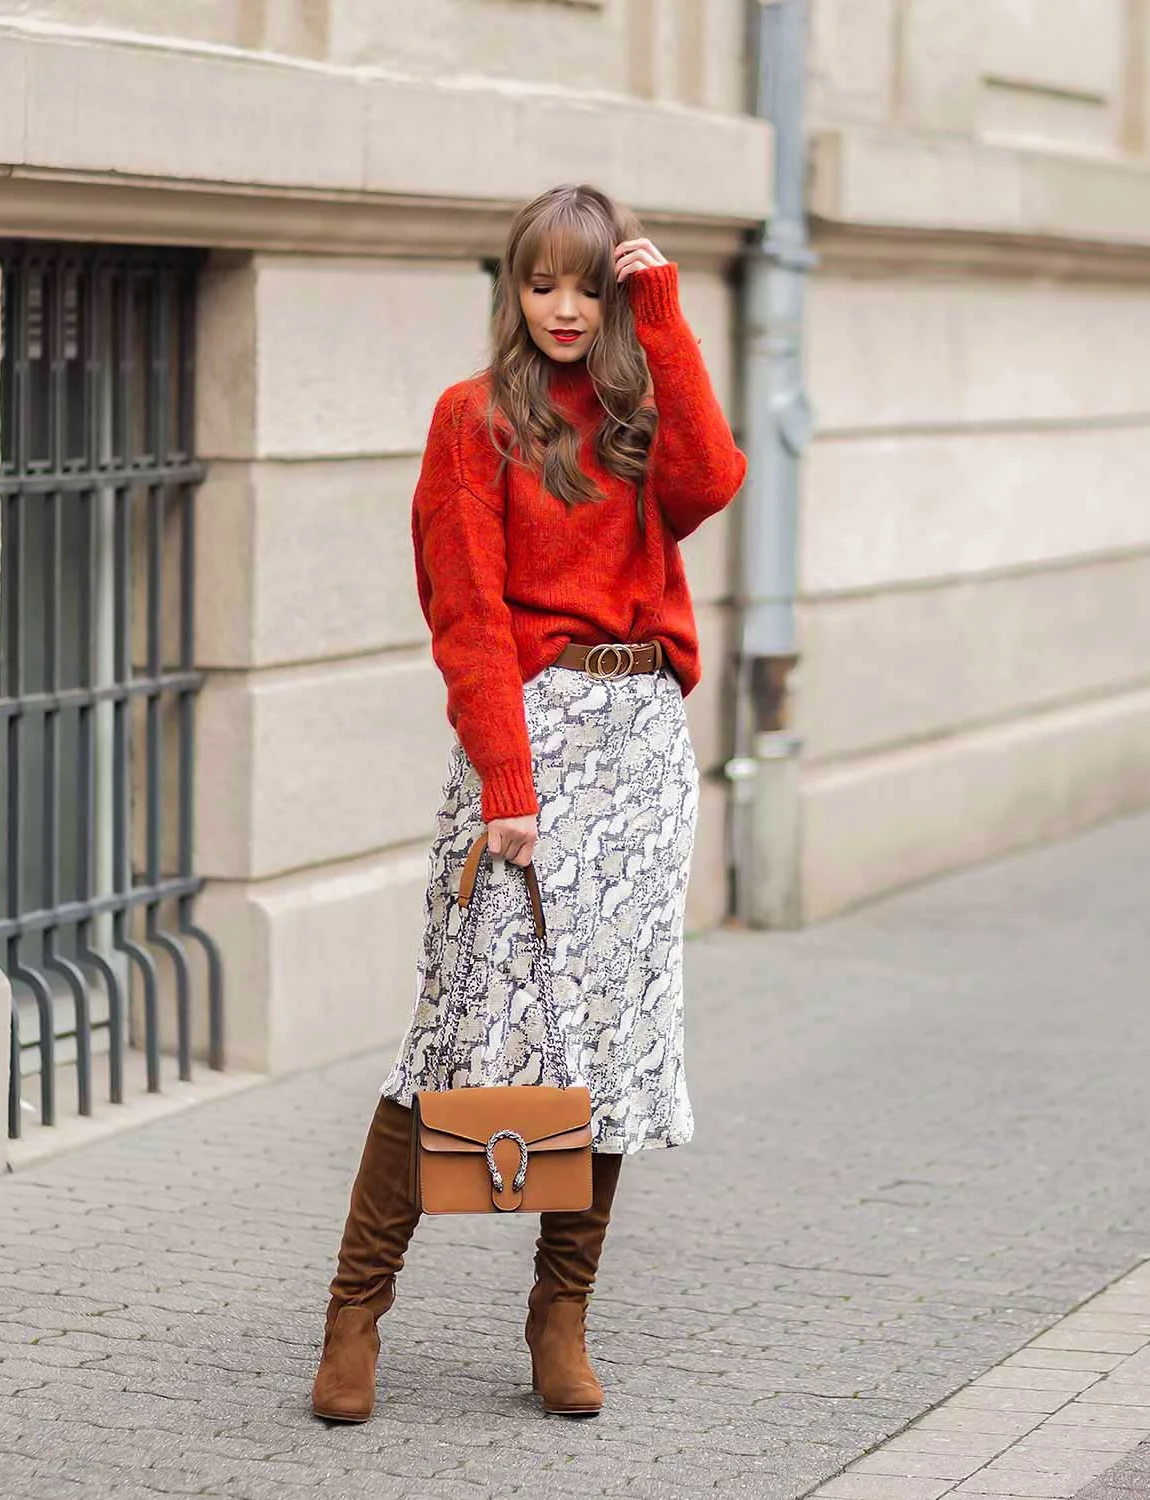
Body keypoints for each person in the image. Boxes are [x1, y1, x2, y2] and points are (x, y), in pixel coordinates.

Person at [308, 183, 747, 1423]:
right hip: (533, 748)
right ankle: (357, 1314)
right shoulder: (473, 421)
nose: (563, 309)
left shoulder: (634, 416)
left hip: (641, 742)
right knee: (462, 1032)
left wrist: (662, 318)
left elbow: (709, 485)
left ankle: (561, 1317)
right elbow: (467, 613)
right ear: (511, 289)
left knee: (604, 1039)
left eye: (589, 287)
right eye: (541, 283)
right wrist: (507, 779)